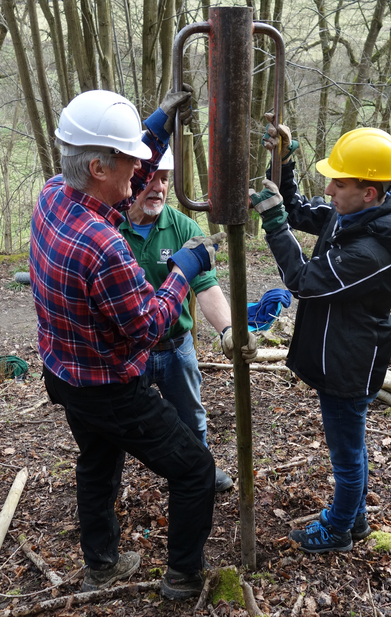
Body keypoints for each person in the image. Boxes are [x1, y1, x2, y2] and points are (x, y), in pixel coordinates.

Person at [29, 88, 226, 601]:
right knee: (195, 470)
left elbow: (111, 171)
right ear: (98, 166)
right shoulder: (106, 247)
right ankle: (184, 577)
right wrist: (184, 269)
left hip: (66, 375)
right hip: (112, 389)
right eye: (131, 160)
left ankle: (102, 563)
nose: (140, 170)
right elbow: (148, 326)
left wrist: (154, 126)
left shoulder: (53, 194)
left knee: (97, 460)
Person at [251, 123, 391, 553]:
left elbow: (304, 281)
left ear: (369, 191)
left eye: (339, 182)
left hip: (350, 363)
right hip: (341, 353)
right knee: (352, 446)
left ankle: (340, 528)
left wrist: (273, 226)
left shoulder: (372, 251)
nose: (328, 189)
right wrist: (284, 164)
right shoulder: (358, 218)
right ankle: (357, 518)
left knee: (346, 457)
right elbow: (300, 211)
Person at [120, 146, 257, 492]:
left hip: (175, 347)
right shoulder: (110, 224)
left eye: (165, 179)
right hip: (127, 352)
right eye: (152, 178)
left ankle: (200, 471)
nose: (160, 188)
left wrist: (230, 330)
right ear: (133, 178)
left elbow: (205, 285)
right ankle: (110, 483)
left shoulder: (182, 225)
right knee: (117, 422)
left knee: (191, 417)